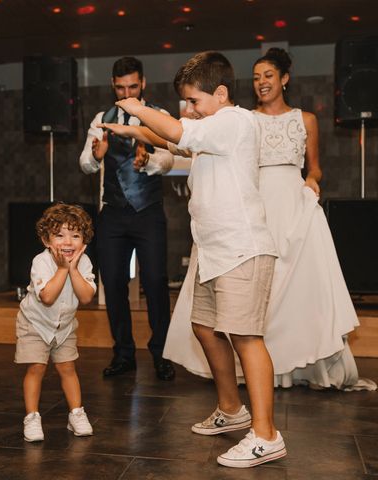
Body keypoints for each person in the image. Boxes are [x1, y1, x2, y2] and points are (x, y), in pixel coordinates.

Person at [101, 51, 287, 468]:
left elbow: (175, 130)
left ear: (220, 94)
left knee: (246, 338)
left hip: (242, 248)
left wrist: (136, 108)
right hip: (214, 250)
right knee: (205, 327)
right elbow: (168, 140)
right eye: (185, 103)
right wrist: (128, 130)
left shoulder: (234, 122)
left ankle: (266, 435)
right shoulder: (212, 128)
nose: (189, 110)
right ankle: (231, 409)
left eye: (194, 102)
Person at [164, 48, 376, 391]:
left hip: (291, 201)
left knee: (295, 289)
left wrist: (312, 179)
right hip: (252, 201)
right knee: (253, 292)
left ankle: (295, 366)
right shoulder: (243, 118)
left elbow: (315, 165)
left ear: (284, 79)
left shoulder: (304, 120)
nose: (262, 83)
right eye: (257, 77)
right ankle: (252, 371)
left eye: (269, 76)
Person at [79, 56, 176, 381]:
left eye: (132, 86)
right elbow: (85, 164)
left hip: (148, 212)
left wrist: (148, 160)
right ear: (113, 86)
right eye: (120, 88)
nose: (126, 92)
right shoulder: (101, 118)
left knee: (155, 282)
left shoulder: (159, 116)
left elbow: (168, 159)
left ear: (143, 83)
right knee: (114, 284)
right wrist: (95, 156)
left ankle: (162, 354)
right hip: (113, 214)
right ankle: (123, 354)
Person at [16, 203, 97, 442]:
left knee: (67, 368)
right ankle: (31, 417)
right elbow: (48, 297)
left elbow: (86, 297)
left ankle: (76, 414)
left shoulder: (85, 263)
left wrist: (73, 269)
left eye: (75, 235)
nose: (67, 242)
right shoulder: (41, 262)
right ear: (46, 240)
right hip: (34, 323)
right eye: (59, 235)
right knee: (36, 368)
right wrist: (62, 269)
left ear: (84, 241)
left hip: (64, 326)